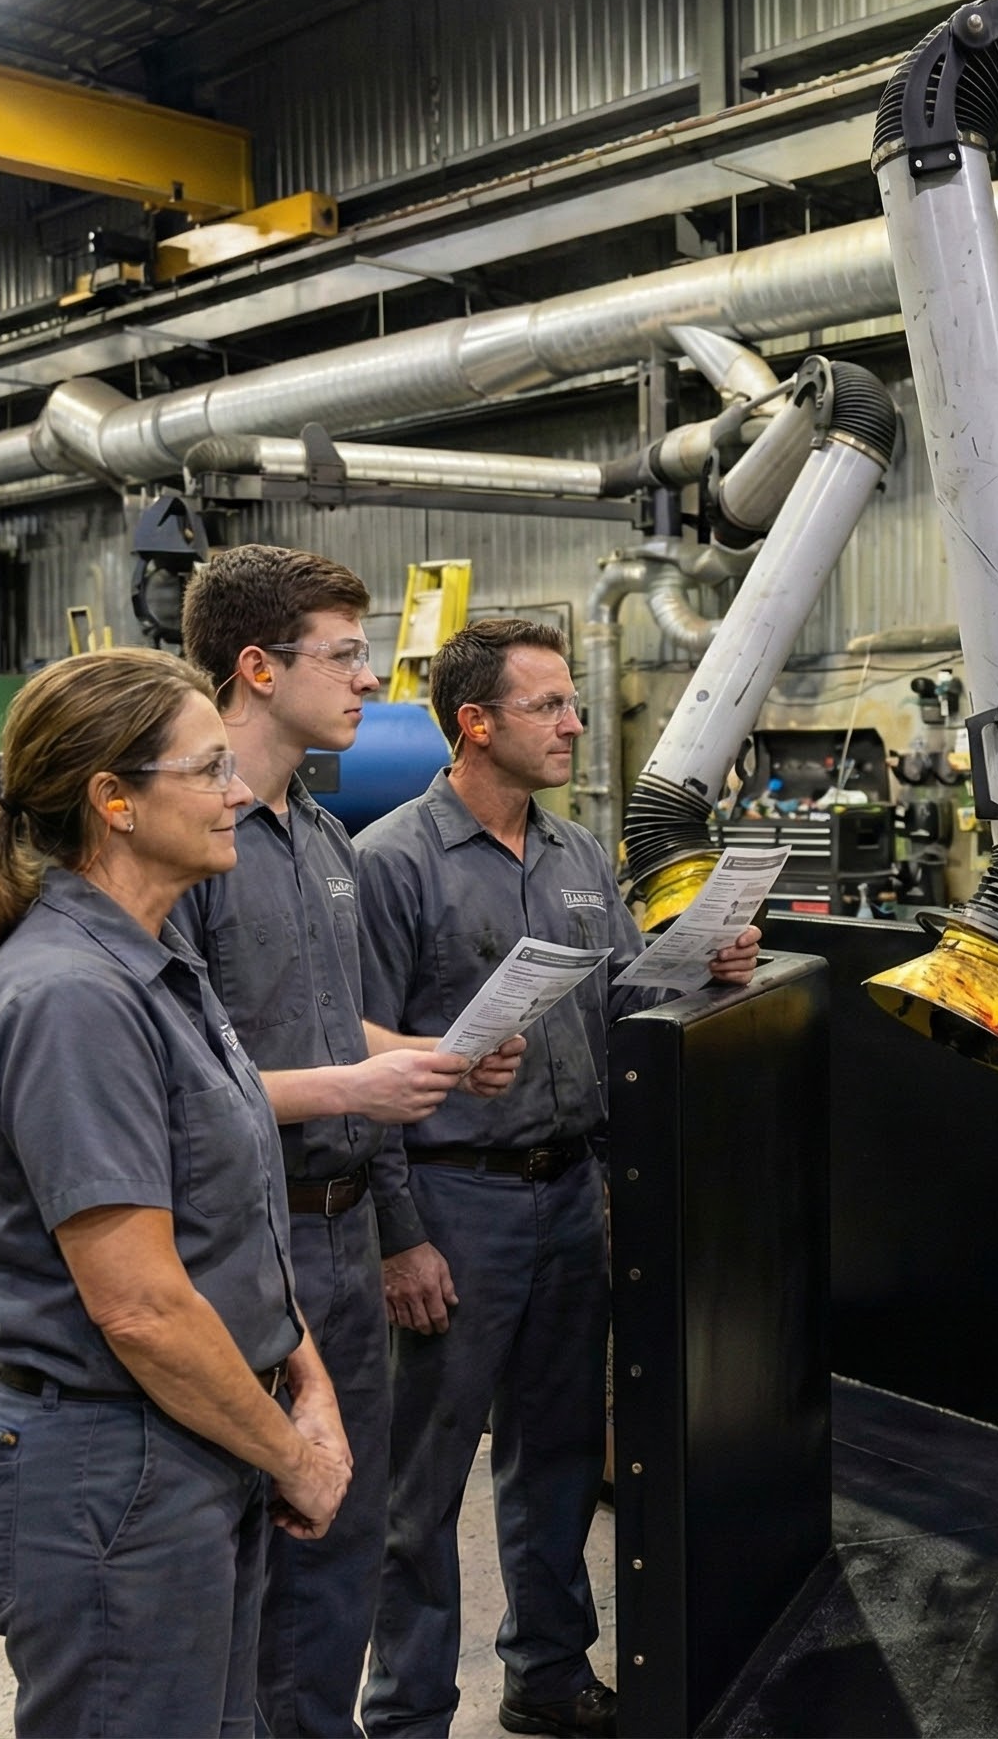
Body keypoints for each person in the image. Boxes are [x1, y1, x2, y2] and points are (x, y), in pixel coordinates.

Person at [354, 618, 759, 1739]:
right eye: (551, 706)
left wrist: (704, 961)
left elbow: (626, 1003)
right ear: (475, 723)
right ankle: (407, 1712)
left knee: (562, 1452)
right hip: (453, 1199)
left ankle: (546, 1669)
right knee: (419, 1483)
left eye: (573, 702)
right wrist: (398, 1234)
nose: (577, 722)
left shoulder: (581, 854)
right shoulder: (391, 861)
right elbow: (360, 1062)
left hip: (570, 1192)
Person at [0, 647, 353, 1736]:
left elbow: (235, 1214)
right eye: (209, 769)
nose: (236, 793)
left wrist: (302, 1378)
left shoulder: (158, 961)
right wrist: (293, 1454)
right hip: (113, 1473)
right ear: (113, 800)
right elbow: (141, 1303)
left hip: (196, 1441)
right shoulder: (73, 994)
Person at [177, 545, 525, 1736]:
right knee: (250, 1564)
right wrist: (360, 1080)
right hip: (232, 1249)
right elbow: (181, 1081)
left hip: (339, 1238)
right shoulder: (192, 845)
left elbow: (334, 1030)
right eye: (344, 654)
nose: (369, 679)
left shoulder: (323, 841)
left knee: (343, 1547)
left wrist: (429, 1057)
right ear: (259, 668)